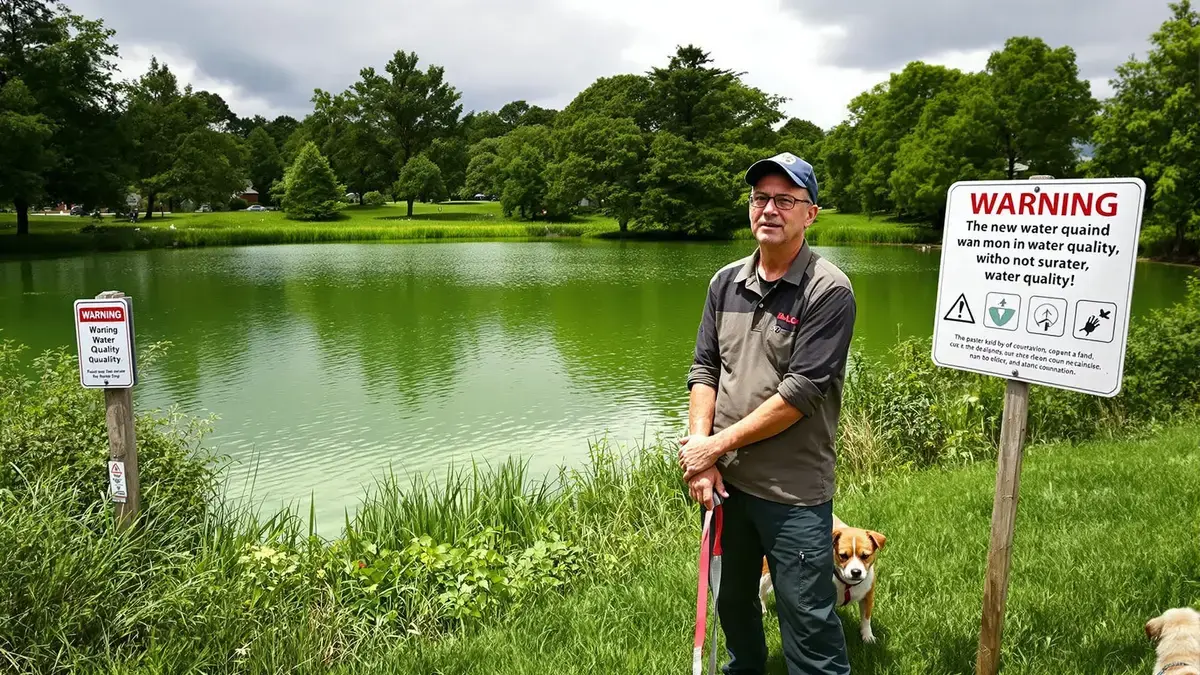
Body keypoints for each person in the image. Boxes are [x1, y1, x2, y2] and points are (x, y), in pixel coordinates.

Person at [678, 152, 857, 674]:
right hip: (729, 484)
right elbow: (704, 369)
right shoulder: (725, 282)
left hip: (793, 492)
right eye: (761, 198)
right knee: (734, 603)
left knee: (808, 619)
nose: (769, 209)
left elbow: (801, 393)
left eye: (785, 199)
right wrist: (701, 453)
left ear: (811, 213)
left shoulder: (828, 290)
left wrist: (715, 445)